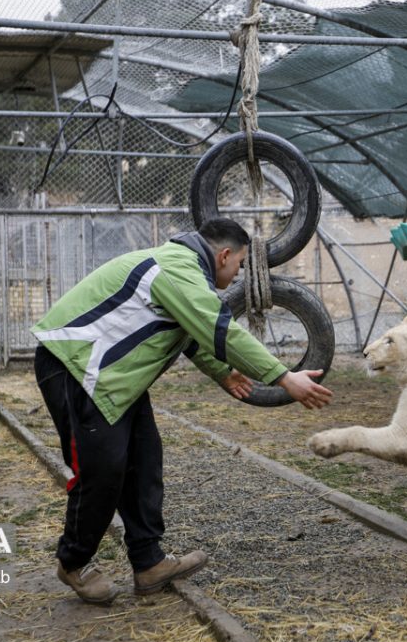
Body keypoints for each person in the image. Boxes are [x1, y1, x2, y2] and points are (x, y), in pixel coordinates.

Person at [33, 218, 333, 604]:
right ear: (223, 255)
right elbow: (216, 327)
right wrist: (283, 377)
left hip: (114, 377)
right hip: (74, 366)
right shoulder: (176, 267)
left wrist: (223, 373)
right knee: (101, 469)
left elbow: (187, 333)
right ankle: (73, 562)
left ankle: (149, 562)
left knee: (143, 461)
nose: (239, 272)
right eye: (240, 264)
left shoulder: (184, 270)